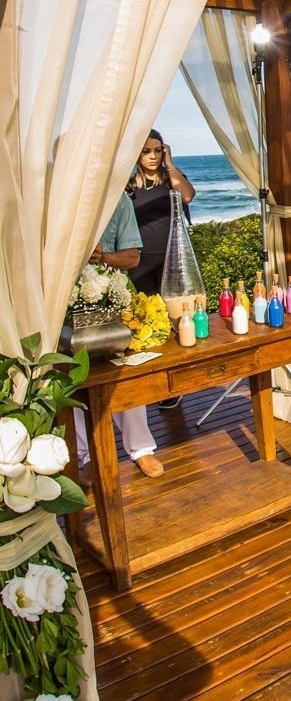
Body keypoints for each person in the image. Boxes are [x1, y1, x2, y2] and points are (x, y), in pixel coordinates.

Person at [75, 193, 164, 480]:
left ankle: (141, 449)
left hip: (112, 303)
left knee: (124, 373)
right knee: (71, 376)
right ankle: (87, 455)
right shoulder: (57, 196)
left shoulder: (119, 201)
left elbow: (133, 257)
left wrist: (104, 258)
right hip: (64, 305)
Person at [127, 130, 195, 409]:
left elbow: (188, 196)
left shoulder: (172, 179)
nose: (152, 156)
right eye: (146, 151)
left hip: (173, 258)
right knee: (145, 322)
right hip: (141, 260)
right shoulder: (130, 185)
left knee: (176, 320)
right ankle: (151, 383)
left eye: (157, 150)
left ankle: (173, 386)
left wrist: (170, 163)